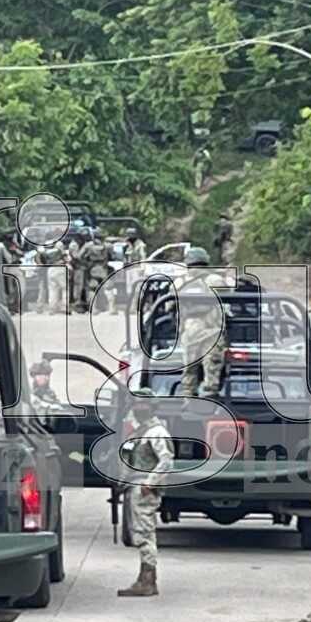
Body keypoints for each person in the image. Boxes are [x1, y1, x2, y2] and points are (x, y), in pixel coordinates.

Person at [118, 389, 174, 597]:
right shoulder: (140, 431)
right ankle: (145, 579)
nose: (139, 408)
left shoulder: (157, 432)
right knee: (139, 532)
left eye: (144, 405)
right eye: (137, 404)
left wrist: (149, 482)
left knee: (144, 533)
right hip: (135, 486)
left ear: (153, 407)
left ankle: (147, 580)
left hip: (144, 489)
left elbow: (166, 460)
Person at [176, 246, 234, 398]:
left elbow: (169, 305)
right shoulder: (215, 280)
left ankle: (188, 396)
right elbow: (230, 295)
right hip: (212, 330)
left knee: (189, 369)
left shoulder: (179, 282)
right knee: (212, 368)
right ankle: (210, 395)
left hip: (189, 331)